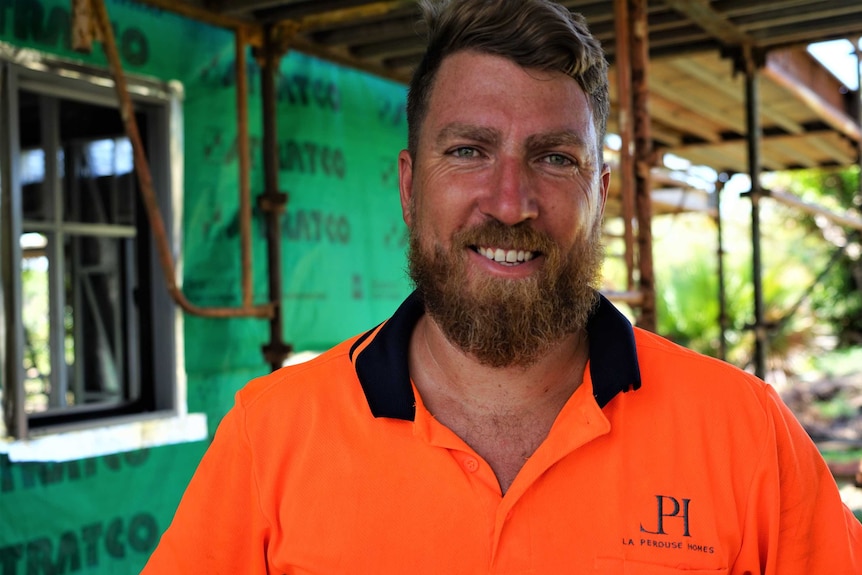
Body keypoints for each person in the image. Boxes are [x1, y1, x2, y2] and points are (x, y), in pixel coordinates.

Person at [141, 0, 862, 572]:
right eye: (467, 151)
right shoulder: (270, 437)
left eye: (553, 157)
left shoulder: (746, 434)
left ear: (601, 194)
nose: (509, 201)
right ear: (407, 186)